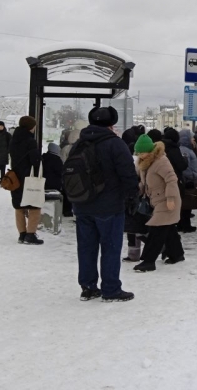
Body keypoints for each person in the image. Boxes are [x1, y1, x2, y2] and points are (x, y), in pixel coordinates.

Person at [72, 106, 139, 302]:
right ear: (111, 123)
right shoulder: (115, 144)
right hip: (109, 206)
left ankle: (88, 287)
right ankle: (110, 289)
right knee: (110, 247)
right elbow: (128, 173)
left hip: (82, 204)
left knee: (86, 247)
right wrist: (132, 196)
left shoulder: (79, 143)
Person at [133, 134, 184, 271]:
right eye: (138, 153)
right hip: (157, 201)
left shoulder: (161, 161)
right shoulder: (145, 163)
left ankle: (148, 261)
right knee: (168, 229)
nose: (140, 155)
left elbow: (171, 179)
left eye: (142, 152)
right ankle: (177, 255)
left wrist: (170, 199)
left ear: (149, 150)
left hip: (167, 201)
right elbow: (146, 183)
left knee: (156, 231)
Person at [8, 116, 43, 244]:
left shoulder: (14, 139)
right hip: (29, 178)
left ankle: (22, 235)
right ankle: (30, 235)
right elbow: (35, 161)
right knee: (34, 206)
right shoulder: (30, 141)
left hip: (15, 178)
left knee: (19, 207)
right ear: (31, 127)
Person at [162, 127, 196, 233]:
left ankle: (173, 224)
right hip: (175, 179)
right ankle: (179, 225)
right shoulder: (174, 148)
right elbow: (181, 165)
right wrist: (184, 160)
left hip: (163, 180)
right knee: (178, 203)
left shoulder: (161, 147)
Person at [178, 128, 197, 231]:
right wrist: (192, 176)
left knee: (185, 204)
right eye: (191, 137)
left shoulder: (186, 149)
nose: (193, 140)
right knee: (186, 205)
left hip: (188, 179)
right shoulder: (185, 151)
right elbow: (185, 167)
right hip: (188, 180)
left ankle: (183, 224)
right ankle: (185, 225)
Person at [42, 142, 72, 217]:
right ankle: (67, 211)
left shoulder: (44, 157)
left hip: (44, 183)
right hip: (55, 184)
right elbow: (61, 172)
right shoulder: (56, 159)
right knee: (67, 190)